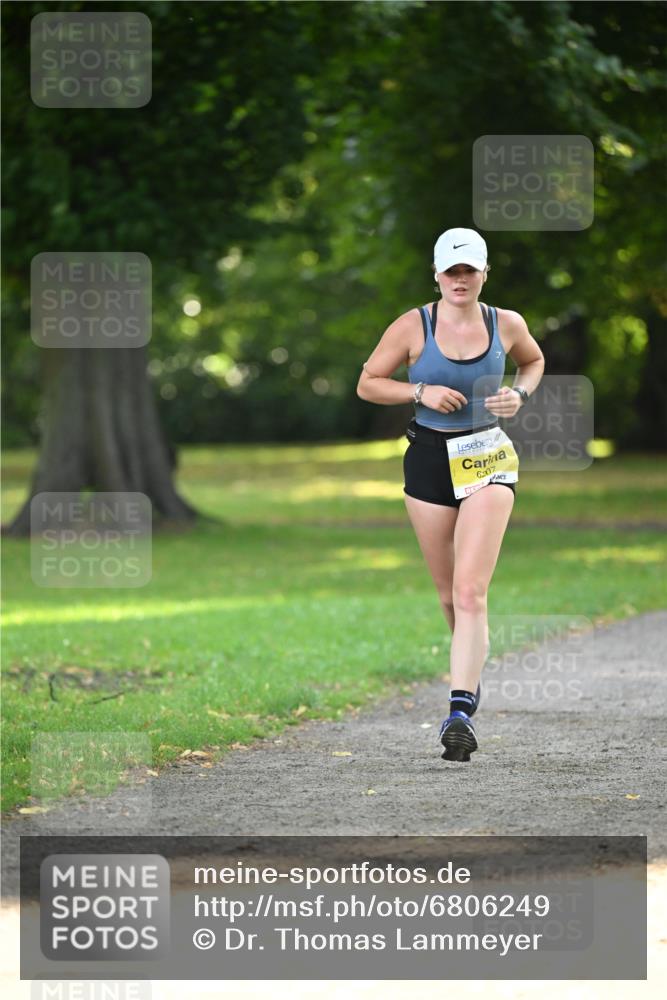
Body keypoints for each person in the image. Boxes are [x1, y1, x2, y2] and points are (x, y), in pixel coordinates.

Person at [356, 228, 545, 762]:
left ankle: (459, 711)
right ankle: (472, 666)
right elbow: (368, 382)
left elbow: (533, 362)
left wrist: (518, 393)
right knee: (447, 595)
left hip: (487, 456)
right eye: (451, 271)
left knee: (469, 591)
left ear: (484, 274)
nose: (460, 280)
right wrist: (419, 390)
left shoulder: (506, 323)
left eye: (470, 271)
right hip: (428, 459)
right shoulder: (412, 326)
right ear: (437, 275)